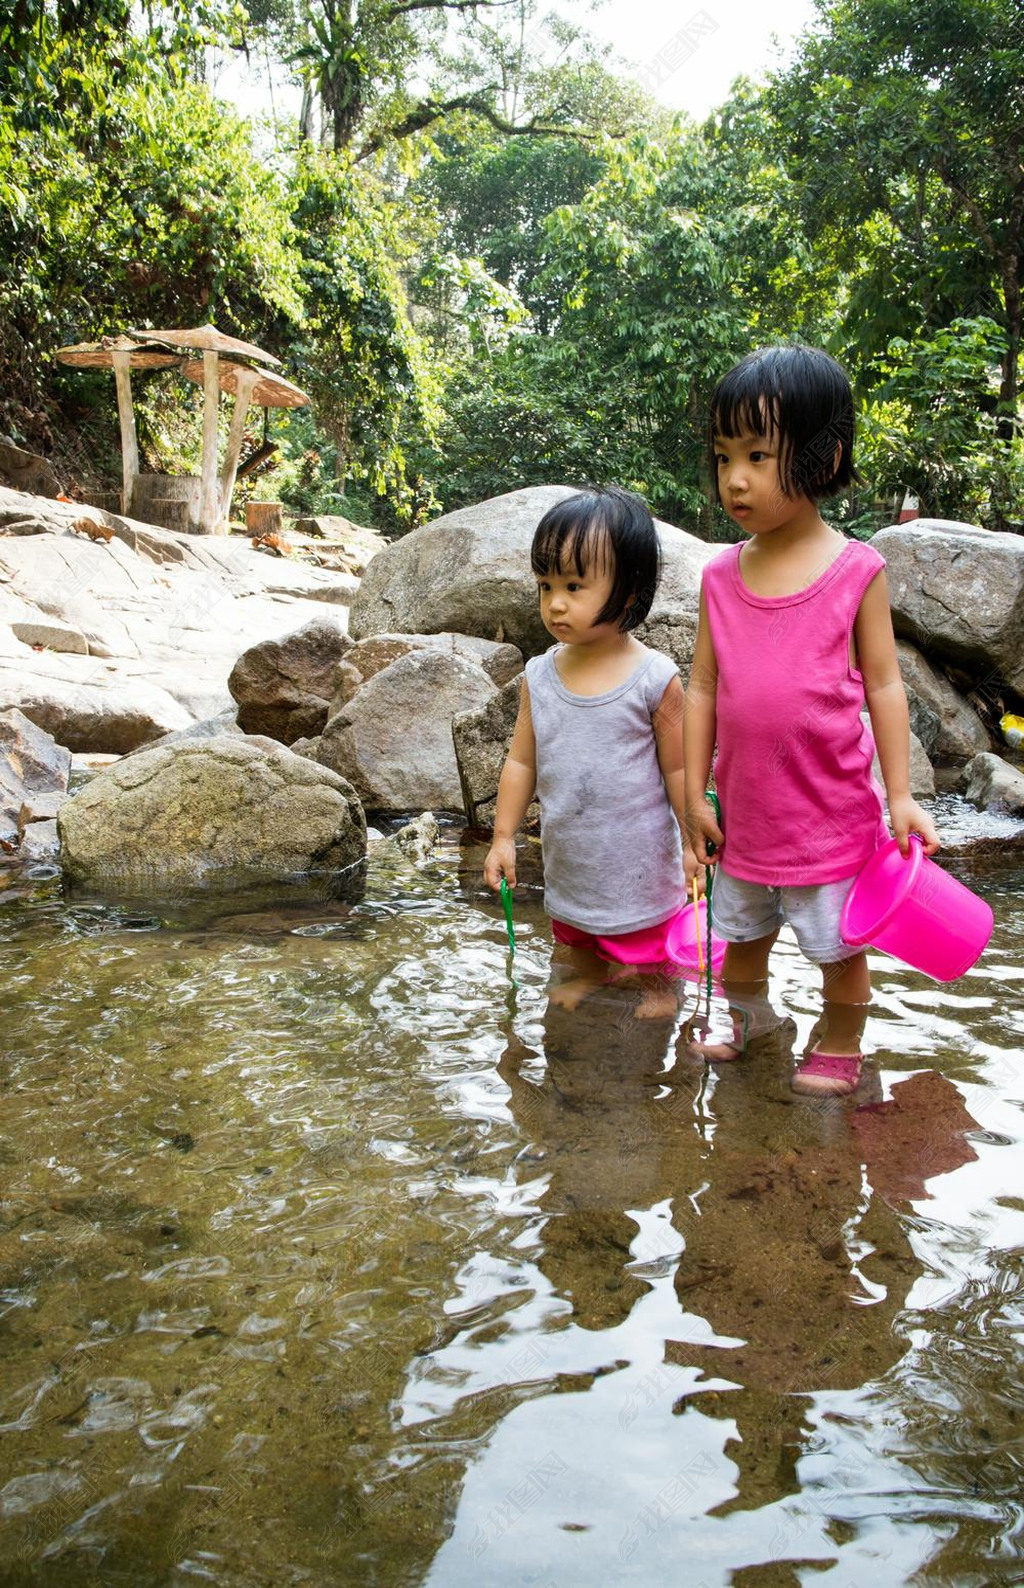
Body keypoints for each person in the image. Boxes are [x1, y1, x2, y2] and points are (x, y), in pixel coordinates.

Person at [684, 344, 940, 1095]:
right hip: (748, 817)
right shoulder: (721, 576)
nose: (735, 477)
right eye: (725, 454)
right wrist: (694, 797)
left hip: (829, 816)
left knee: (838, 946)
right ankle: (750, 1015)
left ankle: (842, 1037)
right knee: (741, 935)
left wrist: (900, 796)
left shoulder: (856, 570)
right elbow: (701, 688)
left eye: (760, 454)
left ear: (822, 459)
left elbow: (886, 689)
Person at [483, 485, 699, 1012]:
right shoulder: (540, 675)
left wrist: (694, 842)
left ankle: (656, 984)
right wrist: (503, 835)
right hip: (573, 860)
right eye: (545, 585)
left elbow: (680, 770)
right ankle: (587, 975)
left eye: (575, 586)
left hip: (640, 862)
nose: (555, 603)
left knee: (645, 941)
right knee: (574, 932)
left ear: (628, 590)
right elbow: (521, 760)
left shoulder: (653, 679)